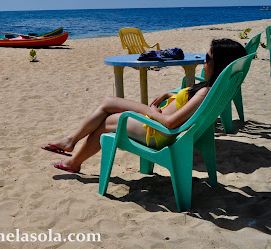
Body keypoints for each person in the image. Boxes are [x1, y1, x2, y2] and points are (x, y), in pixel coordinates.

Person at [42, 38, 246, 173]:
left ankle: (72, 155)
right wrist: (173, 95)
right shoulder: (213, 88)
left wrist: (151, 111)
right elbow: (187, 104)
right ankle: (71, 150)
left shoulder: (204, 92)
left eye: (207, 58)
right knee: (107, 103)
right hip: (155, 125)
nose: (203, 61)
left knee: (104, 121)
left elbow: (171, 121)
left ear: (217, 64)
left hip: (156, 131)